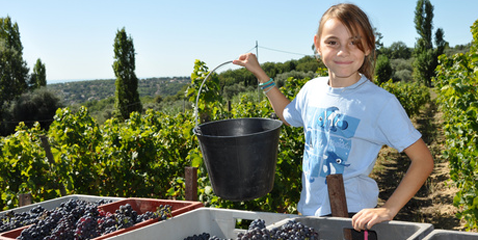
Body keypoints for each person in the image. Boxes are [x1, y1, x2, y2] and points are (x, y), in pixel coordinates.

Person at [233, 3, 434, 232]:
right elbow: (289, 115)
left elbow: (423, 160)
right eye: (332, 42)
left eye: (354, 42)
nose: (343, 51)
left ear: (369, 46)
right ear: (318, 45)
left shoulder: (380, 102)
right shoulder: (312, 89)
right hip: (310, 214)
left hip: (352, 219)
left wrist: (389, 209)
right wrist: (261, 75)